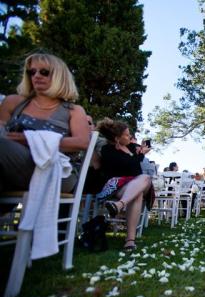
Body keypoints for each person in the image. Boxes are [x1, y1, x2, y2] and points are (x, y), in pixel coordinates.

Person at [0, 52, 90, 194]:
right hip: (11, 165)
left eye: (44, 72)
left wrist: (30, 140)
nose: (37, 76)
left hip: (56, 170)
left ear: (59, 76)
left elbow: (83, 142)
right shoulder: (13, 102)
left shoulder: (74, 111)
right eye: (32, 72)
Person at [95, 118, 153, 251]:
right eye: (127, 135)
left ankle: (119, 205)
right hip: (117, 186)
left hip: (136, 183)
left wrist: (141, 152)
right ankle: (130, 240)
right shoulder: (107, 150)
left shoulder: (132, 147)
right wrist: (139, 156)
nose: (130, 137)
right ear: (117, 138)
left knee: (144, 177)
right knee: (136, 195)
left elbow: (135, 171)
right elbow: (126, 168)